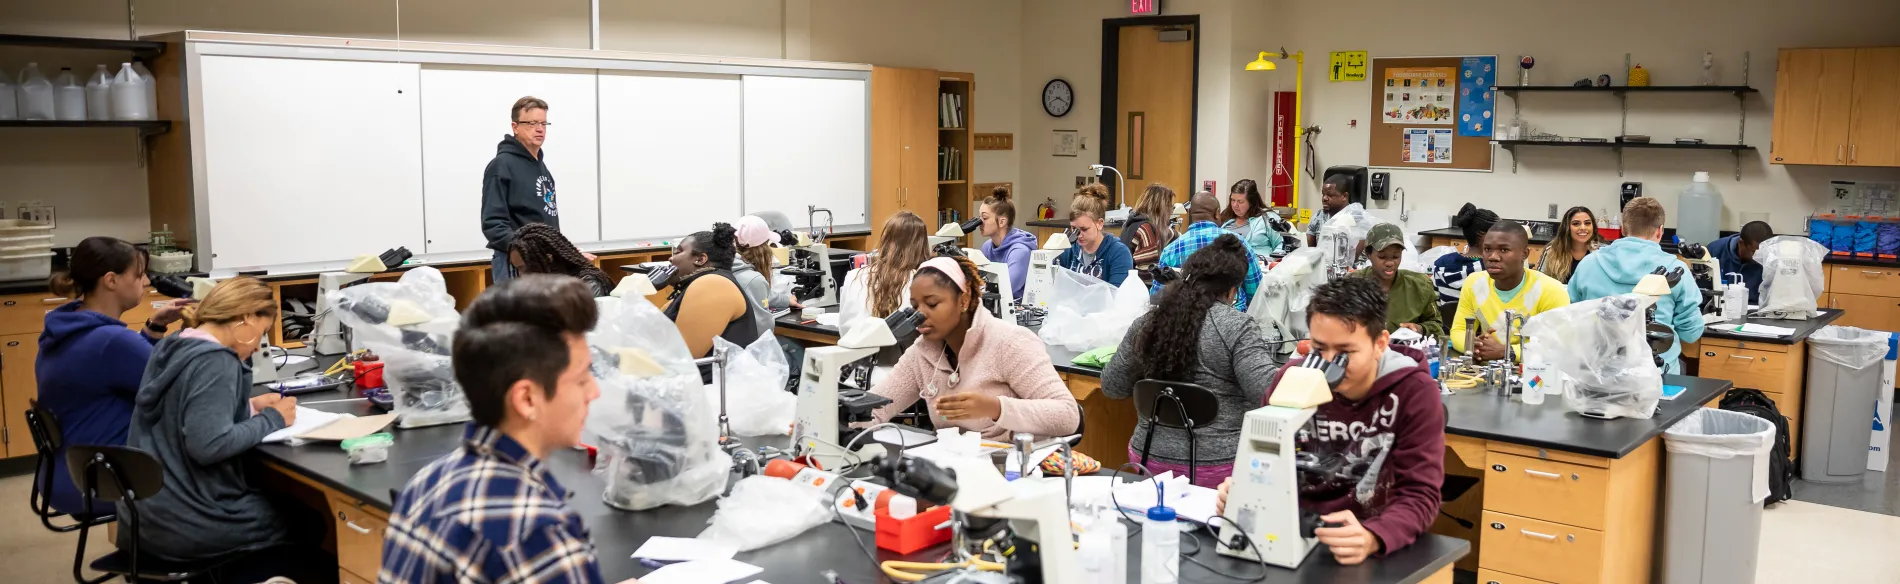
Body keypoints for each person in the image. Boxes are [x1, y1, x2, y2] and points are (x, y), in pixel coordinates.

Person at [382, 275, 622, 583]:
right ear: (526, 399)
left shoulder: (426, 482)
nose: (594, 392)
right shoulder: (535, 533)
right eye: (581, 379)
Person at [1214, 276, 1445, 565]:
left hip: (1362, 542)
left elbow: (1421, 493)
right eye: (1319, 349)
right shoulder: (1289, 380)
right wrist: (1241, 490)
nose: (1330, 365)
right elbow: (1262, 462)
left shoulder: (1413, 391)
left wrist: (1376, 535)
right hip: (1290, 537)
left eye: (1345, 352)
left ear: (1380, 343)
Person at [122, 277, 329, 582]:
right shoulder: (216, 361)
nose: (259, 344)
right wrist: (271, 419)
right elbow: (209, 445)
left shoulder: (172, 345)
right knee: (310, 519)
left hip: (145, 518)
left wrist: (248, 407)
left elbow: (179, 410)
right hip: (189, 521)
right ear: (245, 319)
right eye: (260, 333)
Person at [1101, 234, 1276, 487]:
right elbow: (1266, 392)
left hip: (1148, 462)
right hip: (1218, 467)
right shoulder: (1237, 327)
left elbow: (1112, 387)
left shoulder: (1146, 324)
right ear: (1231, 291)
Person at [36, 237, 193, 516]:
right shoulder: (111, 341)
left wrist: (155, 327)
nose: (145, 282)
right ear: (111, 280)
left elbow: (126, 366)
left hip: (66, 473)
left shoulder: (64, 327)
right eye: (139, 274)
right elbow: (183, 388)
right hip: (108, 479)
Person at [870, 256, 1080, 441]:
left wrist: (996, 408)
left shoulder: (1010, 343)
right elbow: (877, 406)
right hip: (961, 465)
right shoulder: (922, 353)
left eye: (932, 304)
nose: (921, 315)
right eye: (915, 307)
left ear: (963, 300)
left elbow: (1067, 415)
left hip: (1016, 468)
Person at [1568, 197, 1705, 374]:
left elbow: (1572, 319)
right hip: (1655, 375)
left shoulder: (1589, 264)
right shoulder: (1676, 269)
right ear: (1660, 231)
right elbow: (1691, 333)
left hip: (1597, 373)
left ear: (1623, 229)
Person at [484, 96, 586, 285]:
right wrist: (526, 252)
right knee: (519, 316)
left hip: (544, 265)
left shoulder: (541, 166)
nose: (539, 129)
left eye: (543, 123)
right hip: (516, 266)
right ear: (515, 127)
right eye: (532, 123)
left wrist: (565, 253)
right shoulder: (501, 166)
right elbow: (493, 225)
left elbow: (545, 222)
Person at [1449, 220, 1572, 362]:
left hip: (1535, 375)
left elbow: (1557, 346)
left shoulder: (1551, 290)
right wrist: (1473, 345)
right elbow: (1458, 330)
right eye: (1487, 249)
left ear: (1524, 254)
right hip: (1487, 371)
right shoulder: (1474, 283)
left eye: (1504, 250)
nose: (1493, 257)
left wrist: (1507, 351)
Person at [663, 223, 763, 360]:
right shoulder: (696, 285)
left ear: (700, 259)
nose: (671, 258)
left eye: (679, 252)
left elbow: (681, 357)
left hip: (710, 380)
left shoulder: (712, 284)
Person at [1157, 191, 1262, 311]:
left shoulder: (1170, 250)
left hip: (1186, 321)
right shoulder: (1238, 243)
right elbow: (1255, 292)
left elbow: (1158, 297)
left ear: (1190, 213)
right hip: (1232, 317)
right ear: (1217, 213)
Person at [840, 211, 932, 326]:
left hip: (855, 343)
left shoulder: (854, 276)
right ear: (922, 245)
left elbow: (844, 328)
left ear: (885, 241)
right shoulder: (921, 281)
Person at [1355, 223, 1443, 338]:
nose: (1390, 263)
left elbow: (1437, 327)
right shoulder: (1353, 284)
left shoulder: (1420, 286)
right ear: (1368, 254)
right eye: (1382, 257)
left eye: (1396, 256)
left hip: (1405, 352)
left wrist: (1419, 329)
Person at [1055, 185, 1134, 286]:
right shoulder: (1068, 251)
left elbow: (1116, 295)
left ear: (1099, 224)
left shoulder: (1118, 253)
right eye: (1074, 229)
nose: (1078, 235)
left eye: (1084, 229)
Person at [733, 214, 798, 332]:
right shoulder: (753, 279)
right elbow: (763, 328)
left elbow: (759, 294)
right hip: (749, 346)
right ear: (763, 247)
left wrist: (786, 300)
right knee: (797, 349)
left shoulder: (731, 265)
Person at [510, 222, 611, 297]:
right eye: (517, 269)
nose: (520, 275)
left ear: (548, 259)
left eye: (523, 268)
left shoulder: (587, 283)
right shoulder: (541, 285)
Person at [978, 187, 1037, 301]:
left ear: (1002, 221)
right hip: (995, 304)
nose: (979, 222)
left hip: (1017, 309)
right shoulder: (987, 247)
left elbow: (1006, 287)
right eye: (979, 217)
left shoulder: (1020, 251)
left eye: (984, 218)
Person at [1432, 203, 1498, 303]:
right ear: (1484, 235)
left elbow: (1436, 302)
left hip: (1448, 319)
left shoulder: (1441, 265)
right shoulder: (1492, 271)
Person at [1122, 183, 1179, 282]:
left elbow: (1168, 232)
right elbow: (1148, 276)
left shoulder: (1132, 224)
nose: (1171, 212)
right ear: (1160, 208)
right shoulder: (1146, 230)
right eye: (1170, 207)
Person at [1708, 220, 1774, 304]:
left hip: (1755, 310)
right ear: (1741, 243)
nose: (1760, 258)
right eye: (1754, 252)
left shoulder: (1772, 258)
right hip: (1719, 309)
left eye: (1764, 253)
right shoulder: (1714, 251)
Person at [1535, 206, 1606, 284]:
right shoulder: (1552, 251)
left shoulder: (1603, 252)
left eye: (1587, 223)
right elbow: (1539, 282)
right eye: (1576, 224)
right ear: (1567, 228)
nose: (1583, 227)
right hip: (1560, 295)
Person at [1219, 178, 1284, 252]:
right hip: (1227, 261)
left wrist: (1274, 261)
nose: (1234, 205)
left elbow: (1282, 244)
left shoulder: (1268, 218)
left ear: (1251, 202)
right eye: (1233, 200)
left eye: (1240, 201)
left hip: (1260, 261)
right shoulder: (1225, 217)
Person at [1305, 174, 1352, 246]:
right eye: (1323, 194)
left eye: (1330, 195)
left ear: (1344, 196)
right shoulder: (1318, 217)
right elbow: (1312, 251)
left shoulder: (1354, 218)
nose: (1324, 198)